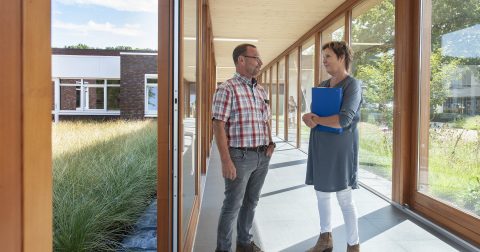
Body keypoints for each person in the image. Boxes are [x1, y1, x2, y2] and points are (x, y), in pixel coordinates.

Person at [212, 44, 275, 252]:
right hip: (239, 157)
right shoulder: (226, 88)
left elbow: (265, 119)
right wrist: (225, 160)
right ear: (241, 60)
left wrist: (271, 141)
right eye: (255, 58)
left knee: (251, 202)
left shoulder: (260, 90)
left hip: (261, 156)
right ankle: (223, 249)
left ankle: (245, 244)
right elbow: (218, 124)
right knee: (232, 205)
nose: (260, 62)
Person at [302, 41, 362, 252]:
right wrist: (308, 118)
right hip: (321, 146)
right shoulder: (323, 85)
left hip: (341, 150)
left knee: (344, 198)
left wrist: (316, 119)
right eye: (323, 57)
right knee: (321, 194)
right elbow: (313, 115)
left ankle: (353, 245)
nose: (324, 61)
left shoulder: (352, 85)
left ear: (341, 57)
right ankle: (325, 239)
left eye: (328, 56)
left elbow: (344, 120)